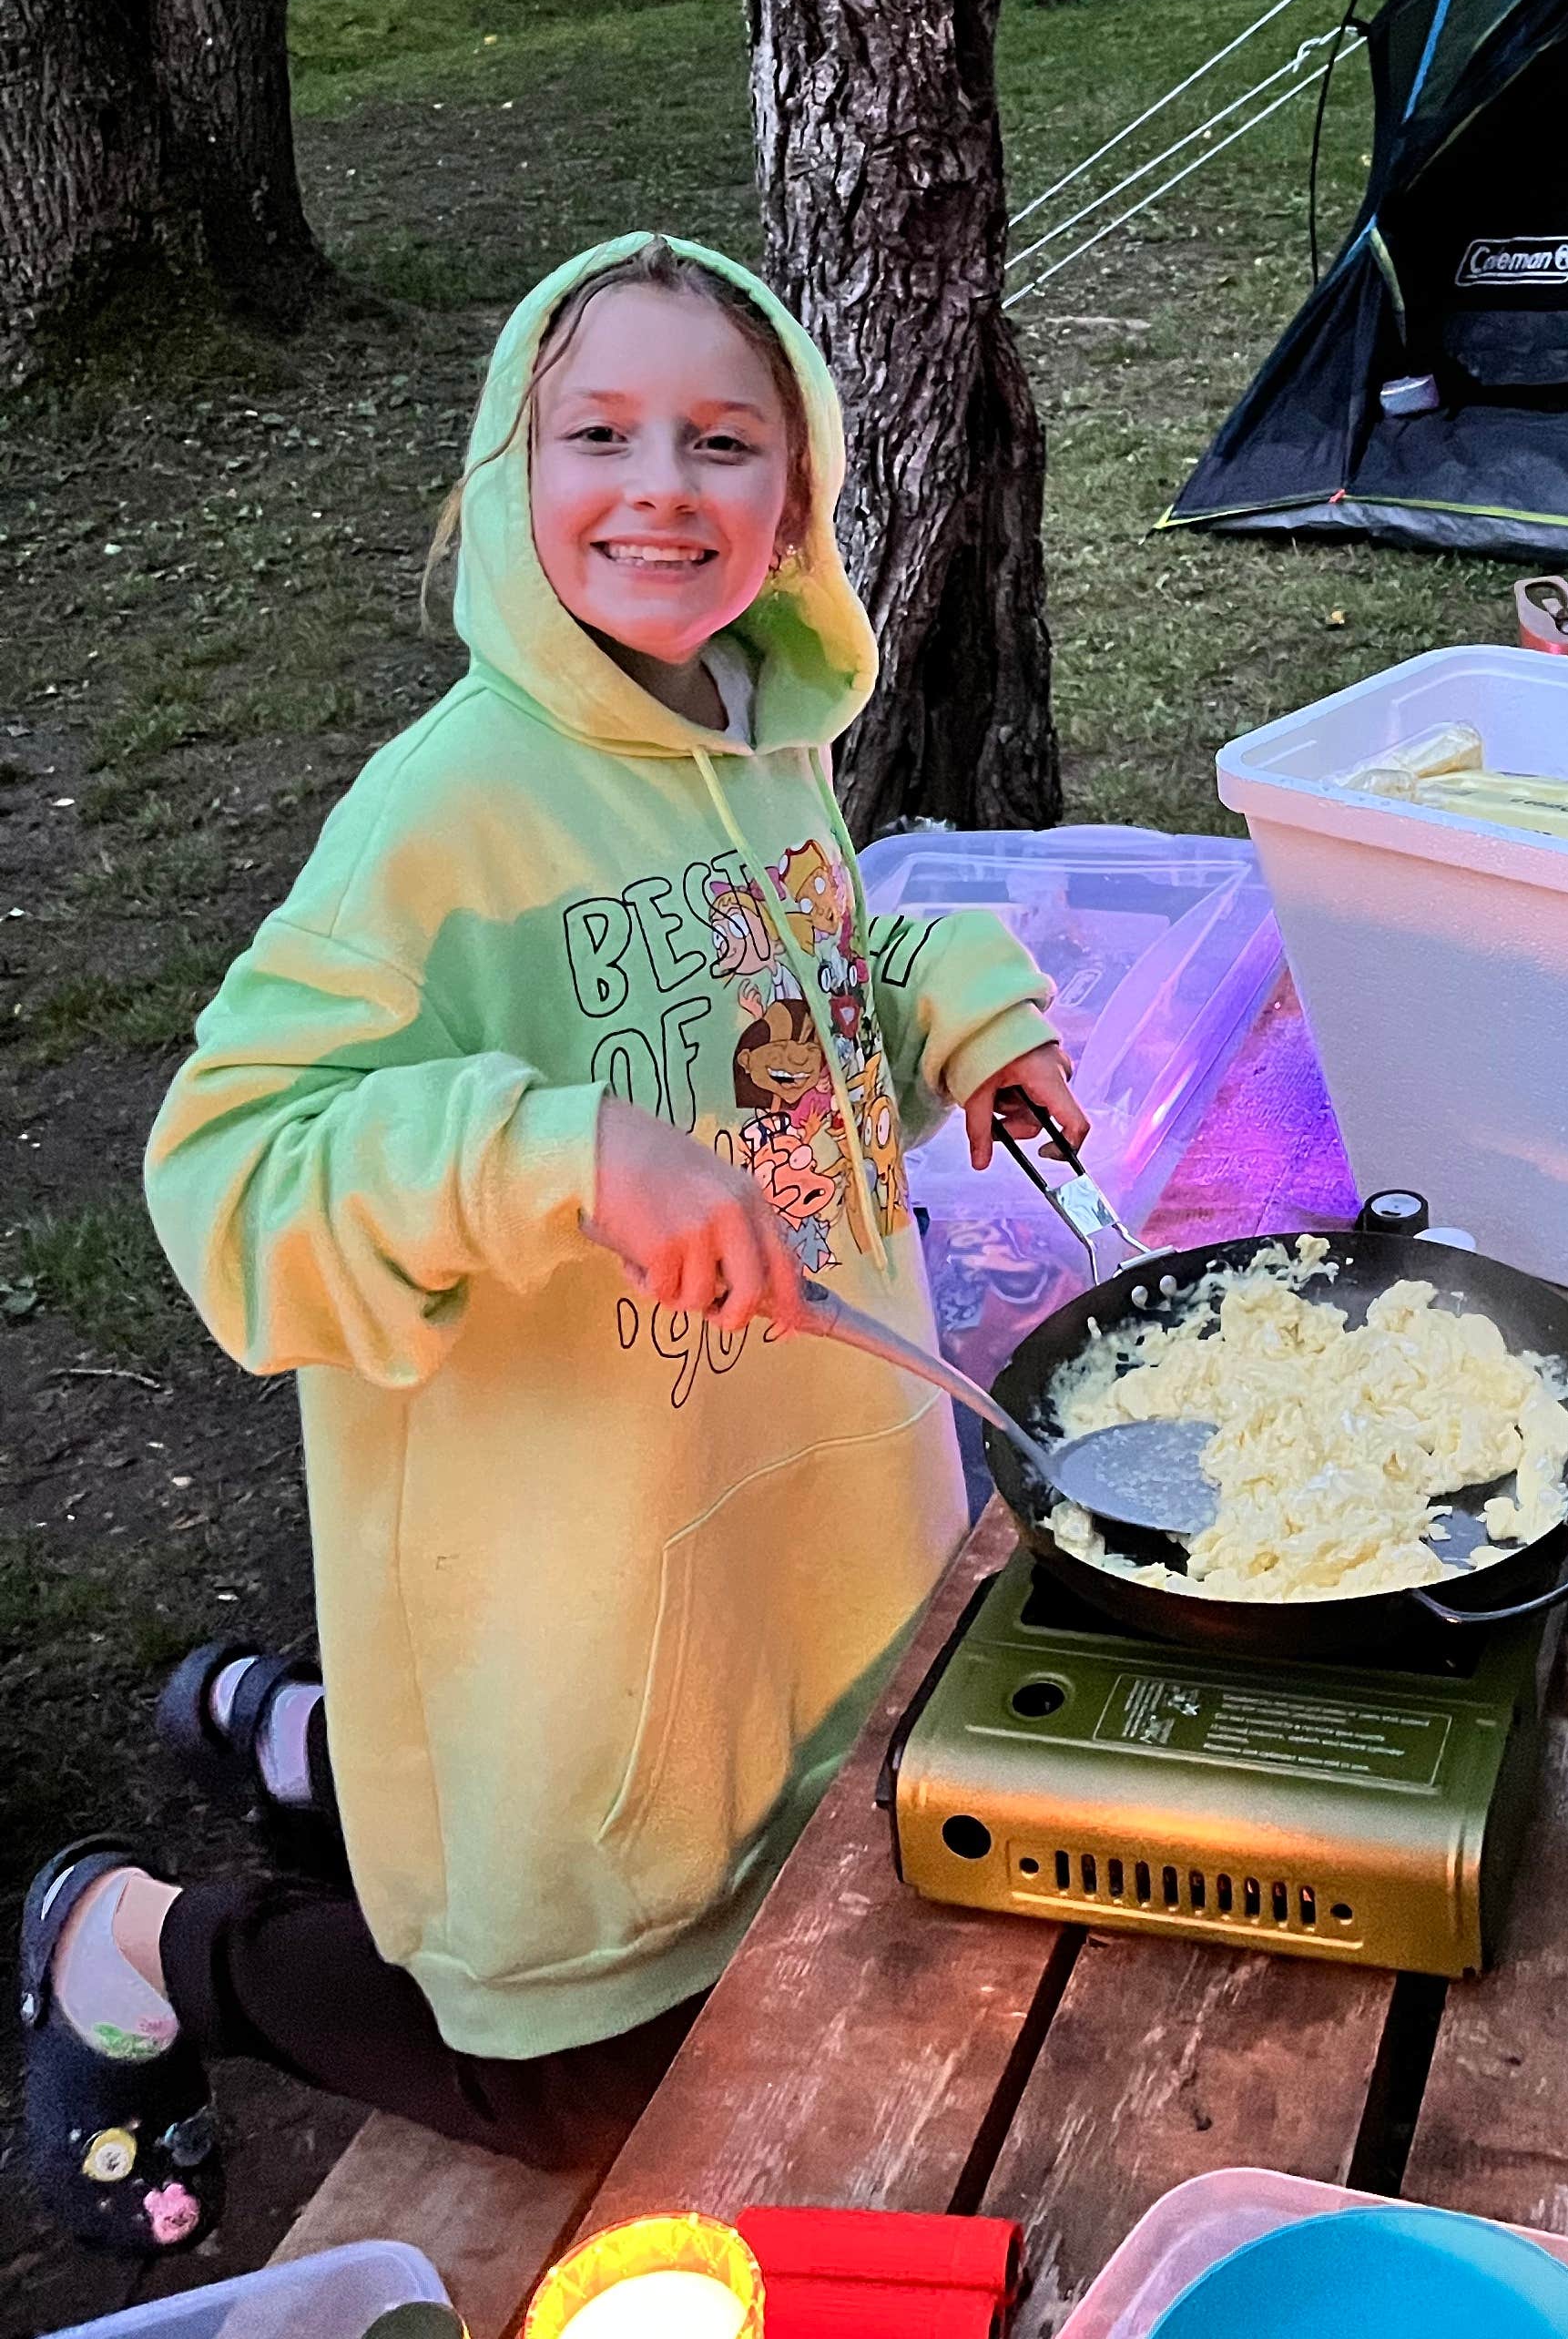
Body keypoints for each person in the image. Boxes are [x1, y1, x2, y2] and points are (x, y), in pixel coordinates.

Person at [17, 235, 1087, 2251]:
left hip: (798, 1542)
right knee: (588, 2078)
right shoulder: (443, 820)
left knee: (816, 1890)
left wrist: (961, 1011)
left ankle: (298, 1736)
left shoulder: (764, 745)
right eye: (600, 434)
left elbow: (800, 1002)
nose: (660, 484)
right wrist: (552, 1147)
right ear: (513, 481)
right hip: (575, 1596)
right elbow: (231, 1175)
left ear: (797, 508)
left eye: (723, 441)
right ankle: (151, 1941)